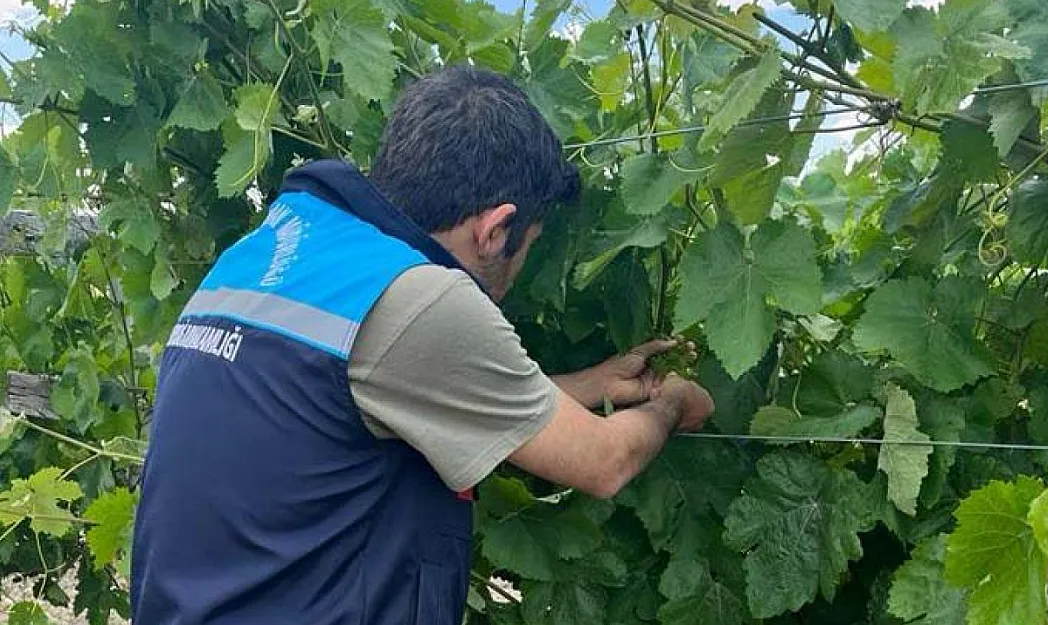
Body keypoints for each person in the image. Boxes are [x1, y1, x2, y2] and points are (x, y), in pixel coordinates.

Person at [130, 65, 715, 625]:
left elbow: (391, 387)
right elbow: (603, 461)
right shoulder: (416, 296)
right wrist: (673, 403)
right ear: (495, 230)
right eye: (530, 241)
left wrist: (590, 384)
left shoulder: (272, 252)